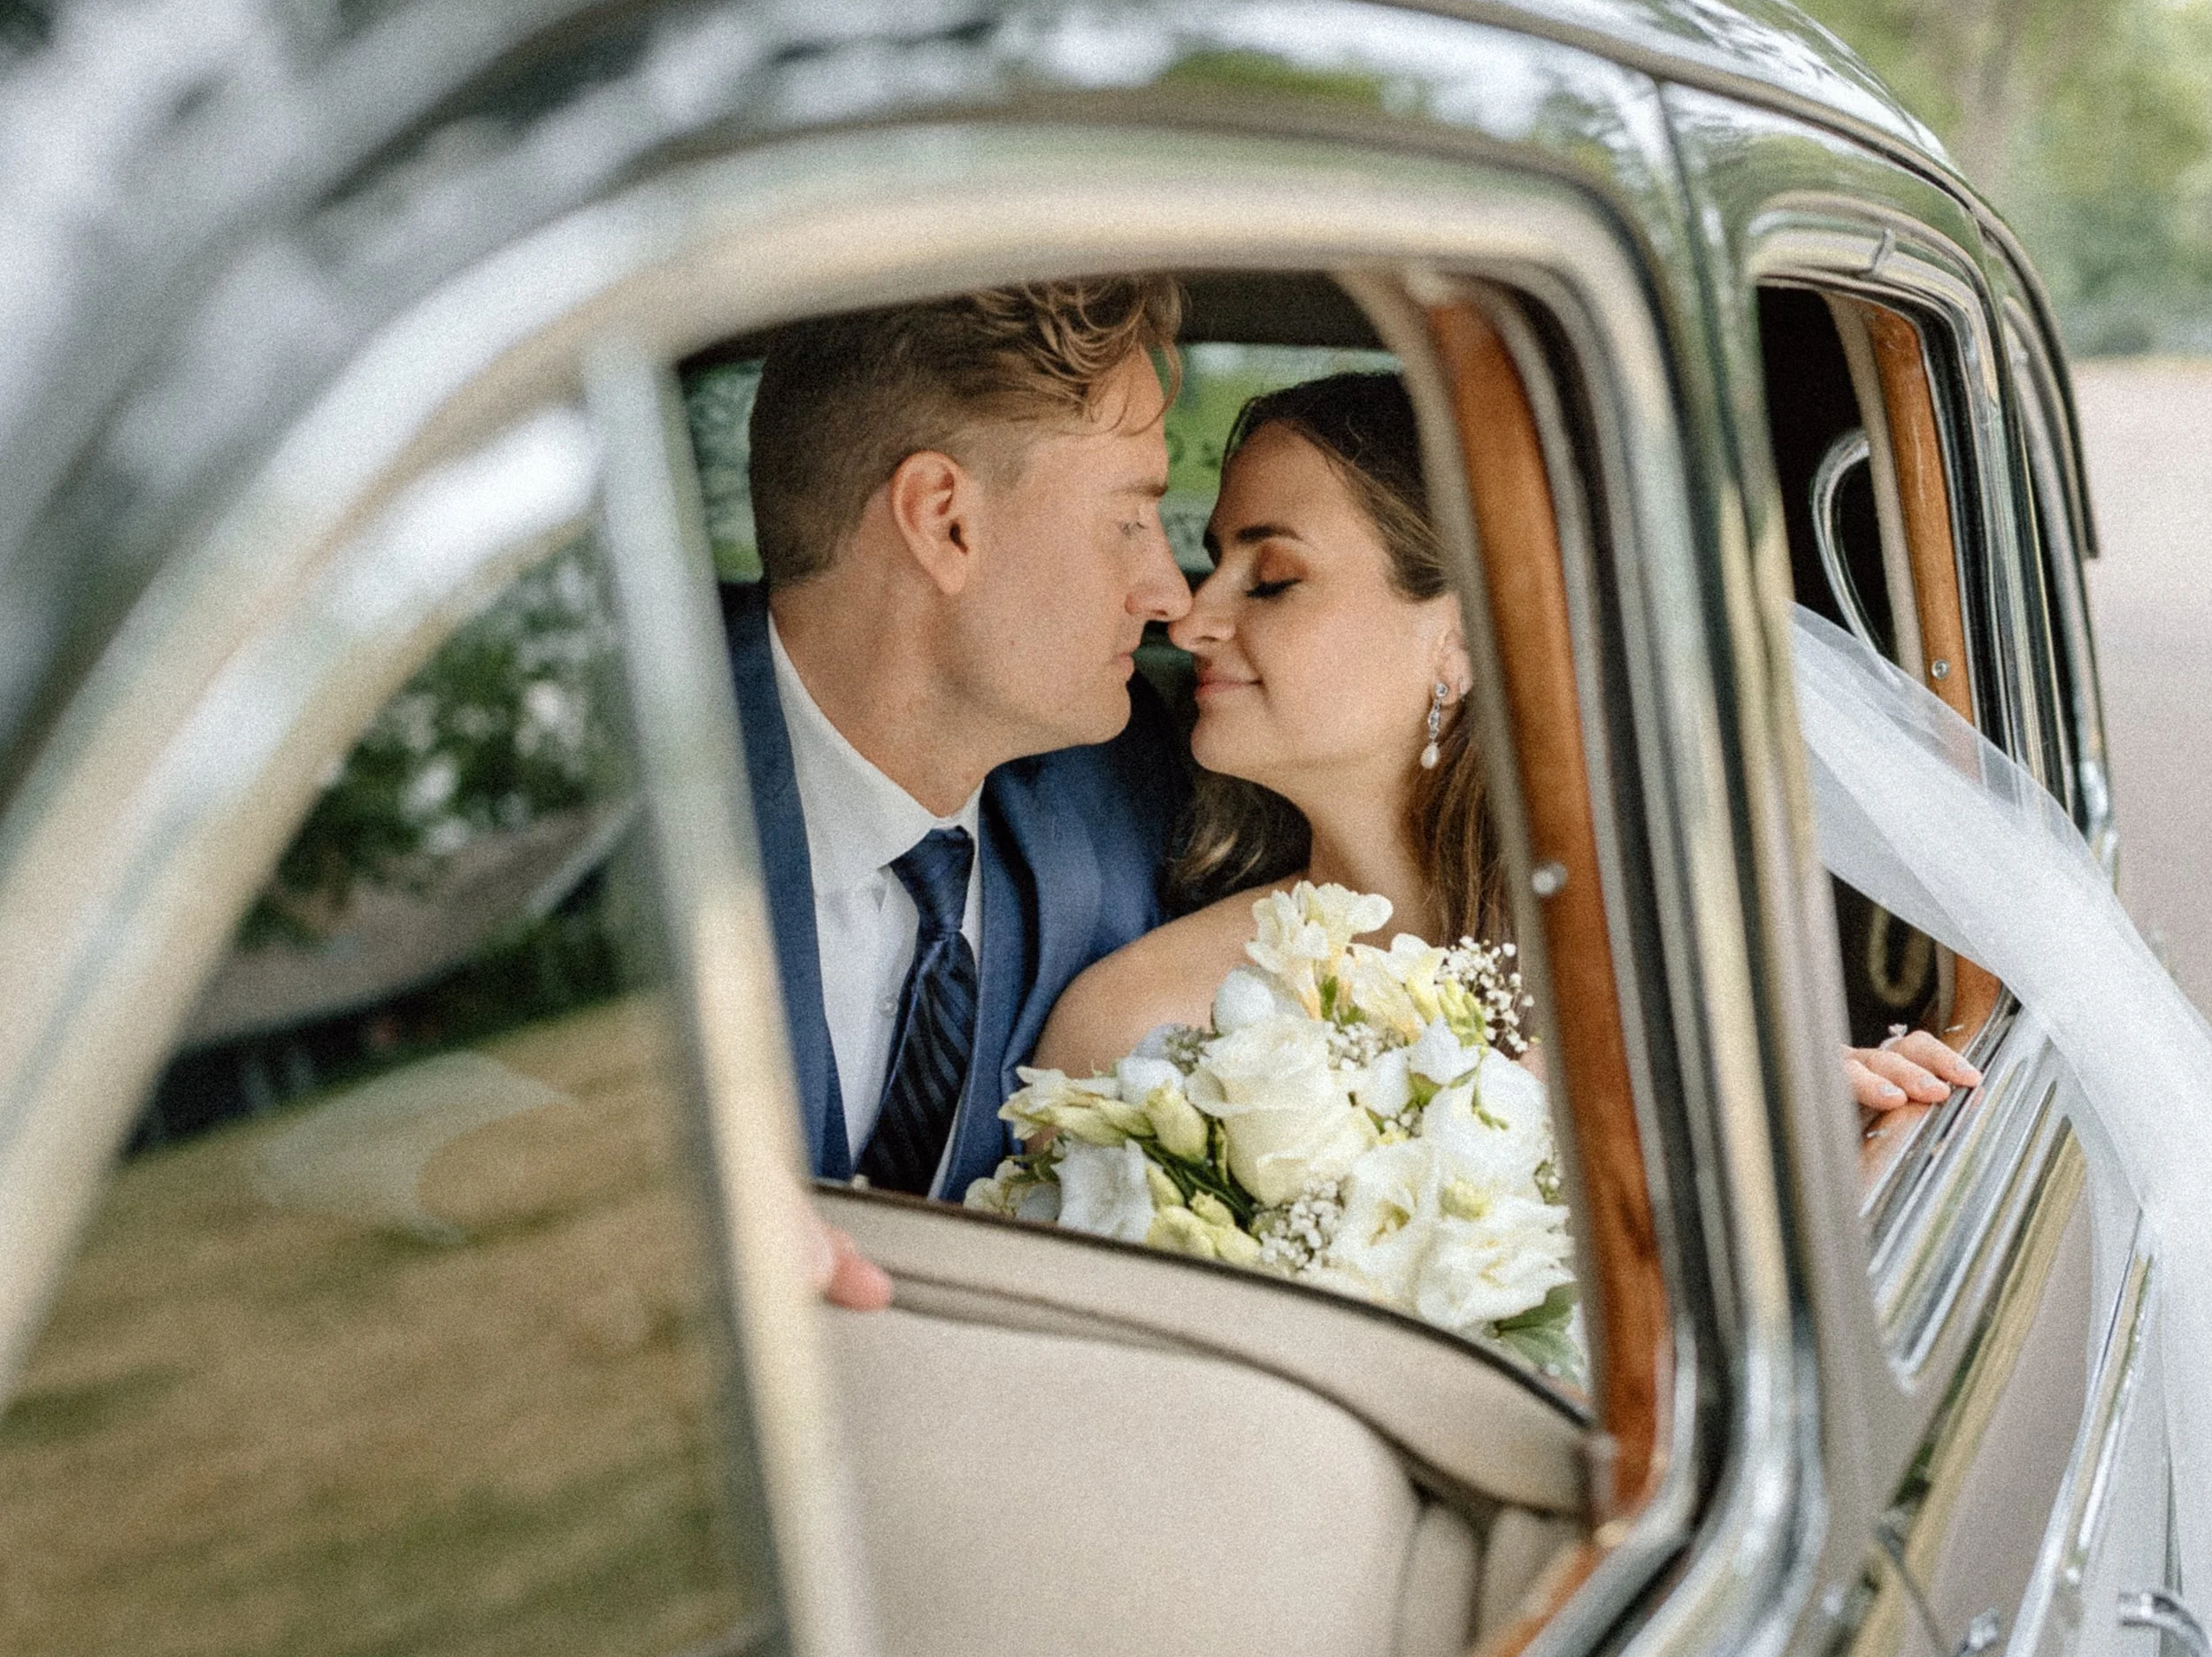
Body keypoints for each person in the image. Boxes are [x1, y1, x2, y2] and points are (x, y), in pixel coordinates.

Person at [1039, 372, 1982, 1123]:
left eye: (1272, 578)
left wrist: (1832, 1121)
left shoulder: (1665, 980)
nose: (1193, 618)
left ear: (1462, 637)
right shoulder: (1139, 1026)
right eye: (1215, 562)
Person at [724, 278, 1192, 1204]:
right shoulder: (611, 823)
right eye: (1129, 520)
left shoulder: (1143, 806)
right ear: (945, 521)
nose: (1169, 594)